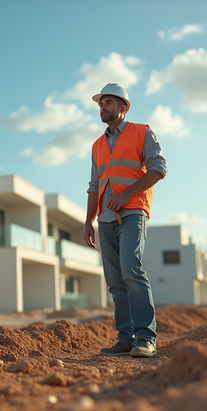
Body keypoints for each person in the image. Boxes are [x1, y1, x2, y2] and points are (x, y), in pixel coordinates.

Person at [83, 83, 166, 358]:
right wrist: (88, 222)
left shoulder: (141, 132)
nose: (103, 107)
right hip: (105, 221)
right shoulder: (96, 145)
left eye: (108, 102)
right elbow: (94, 186)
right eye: (100, 104)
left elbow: (158, 168)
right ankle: (126, 338)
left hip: (132, 212)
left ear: (123, 107)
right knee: (116, 281)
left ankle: (146, 338)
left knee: (132, 270)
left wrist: (128, 193)